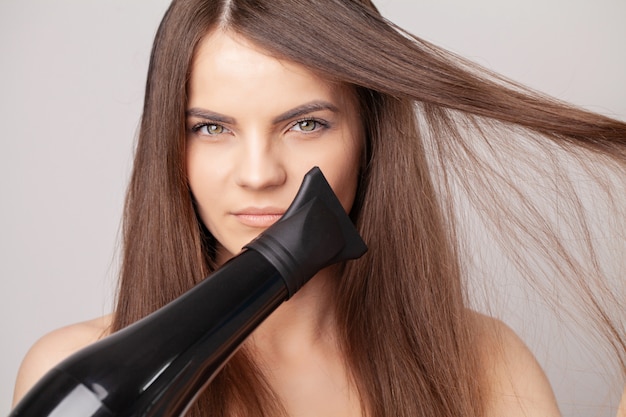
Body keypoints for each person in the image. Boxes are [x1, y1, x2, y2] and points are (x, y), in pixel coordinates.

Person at [11, 0, 626, 416]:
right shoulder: (68, 369)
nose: (259, 175)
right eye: (210, 128)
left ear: (369, 138)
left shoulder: (485, 365)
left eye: (306, 123)